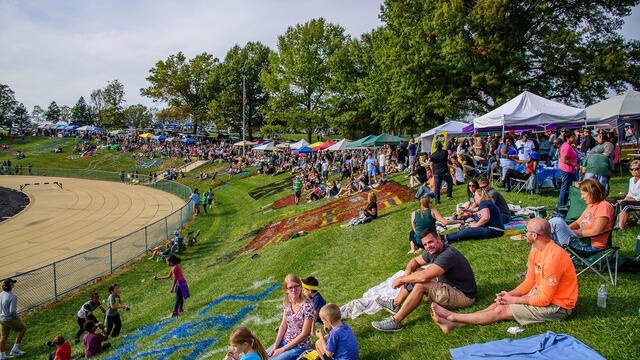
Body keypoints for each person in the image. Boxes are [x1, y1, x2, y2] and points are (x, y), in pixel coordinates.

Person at [431, 218, 577, 333]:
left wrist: (513, 300)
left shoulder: (554, 257)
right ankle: (452, 324)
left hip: (558, 306)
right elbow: (529, 282)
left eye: (526, 230)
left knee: (501, 310)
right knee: (500, 303)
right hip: (542, 293)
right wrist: (509, 295)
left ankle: (452, 317)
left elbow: (545, 300)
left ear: (535, 235)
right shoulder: (536, 251)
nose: (524, 232)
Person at [371, 229, 476, 332]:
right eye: (425, 244)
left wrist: (402, 279)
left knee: (421, 284)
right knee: (416, 271)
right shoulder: (433, 251)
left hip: (463, 296)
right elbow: (414, 261)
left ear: (439, 239)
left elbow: (423, 277)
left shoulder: (448, 254)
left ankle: (396, 321)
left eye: (430, 242)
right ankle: (395, 304)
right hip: (449, 285)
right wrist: (407, 274)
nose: (428, 246)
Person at [549, 179, 614, 252]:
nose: (582, 197)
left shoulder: (604, 206)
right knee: (544, 239)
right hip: (579, 240)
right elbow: (577, 223)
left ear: (592, 193)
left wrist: (573, 233)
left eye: (583, 194)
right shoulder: (591, 205)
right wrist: (566, 229)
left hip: (590, 246)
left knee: (557, 222)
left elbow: (595, 231)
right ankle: (537, 260)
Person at [267, 274, 314, 360]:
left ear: (301, 287)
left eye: (296, 286)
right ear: (286, 290)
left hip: (299, 346)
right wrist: (275, 346)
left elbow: (305, 334)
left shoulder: (307, 306)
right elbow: (283, 325)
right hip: (285, 340)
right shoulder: (287, 301)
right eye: (290, 288)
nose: (294, 290)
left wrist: (282, 349)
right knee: (263, 356)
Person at [0, 279, 26, 359]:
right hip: (9, 318)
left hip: (1, 318)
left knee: (3, 337)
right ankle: (15, 349)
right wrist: (17, 317)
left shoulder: (1, 294)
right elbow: (12, 311)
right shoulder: (13, 296)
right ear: (12, 286)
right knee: (23, 328)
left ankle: (2, 356)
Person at [558, 133, 579, 207]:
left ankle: (565, 204)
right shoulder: (566, 146)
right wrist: (575, 165)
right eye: (572, 137)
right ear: (567, 138)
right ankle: (561, 206)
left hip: (570, 170)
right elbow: (564, 159)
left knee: (568, 188)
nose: (574, 138)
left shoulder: (568, 146)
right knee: (565, 188)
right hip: (566, 169)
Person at [617, 160, 640, 229]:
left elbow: (639, 197)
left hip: (638, 202)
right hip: (634, 200)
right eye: (632, 169)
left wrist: (625, 200)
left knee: (625, 205)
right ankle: (612, 224)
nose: (634, 171)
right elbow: (630, 193)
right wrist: (624, 199)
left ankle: (620, 227)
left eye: (637, 169)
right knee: (616, 201)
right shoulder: (631, 180)